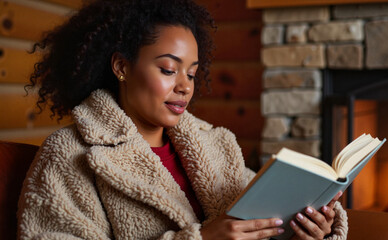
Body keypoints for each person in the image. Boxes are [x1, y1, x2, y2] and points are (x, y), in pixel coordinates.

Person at [17, 0, 348, 239]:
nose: (184, 86)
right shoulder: (70, 155)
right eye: (167, 69)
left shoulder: (216, 145)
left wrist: (308, 229)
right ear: (121, 67)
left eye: (191, 73)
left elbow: (262, 224)